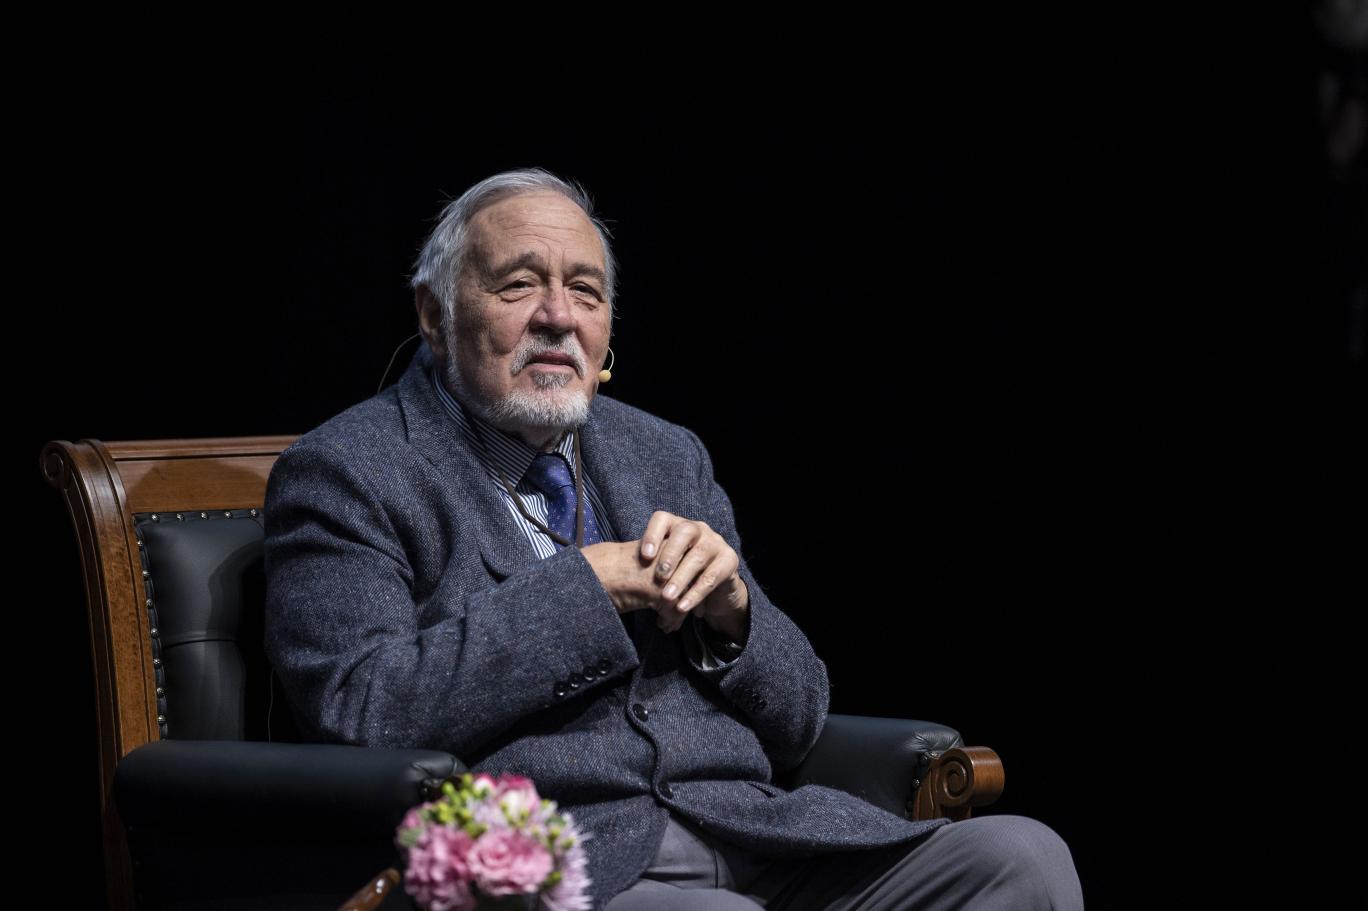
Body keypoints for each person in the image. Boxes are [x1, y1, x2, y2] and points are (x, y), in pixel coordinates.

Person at [262, 168, 1084, 910]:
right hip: (571, 861)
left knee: (1022, 859)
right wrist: (586, 588)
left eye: (585, 291)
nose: (558, 316)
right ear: (435, 315)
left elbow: (801, 718)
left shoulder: (664, 453)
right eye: (519, 284)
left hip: (756, 834)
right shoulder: (348, 470)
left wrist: (735, 616)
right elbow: (361, 710)